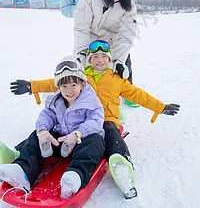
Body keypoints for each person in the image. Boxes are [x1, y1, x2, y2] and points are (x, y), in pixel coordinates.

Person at [1, 41, 180, 199]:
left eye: (104, 56)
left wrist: (160, 107)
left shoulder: (117, 80)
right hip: (75, 120)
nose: (100, 60)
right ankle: (19, 157)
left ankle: (121, 165)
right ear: (89, 60)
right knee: (46, 132)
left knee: (110, 135)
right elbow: (53, 83)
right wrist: (31, 86)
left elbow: (139, 95)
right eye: (95, 57)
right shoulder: (79, 76)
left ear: (110, 60)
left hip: (105, 119)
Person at [0, 56, 105, 200]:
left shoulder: (91, 100)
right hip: (61, 142)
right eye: (64, 86)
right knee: (35, 136)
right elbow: (47, 116)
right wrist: (42, 132)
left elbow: (96, 121)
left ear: (82, 84)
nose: (69, 90)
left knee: (95, 142)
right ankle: (23, 171)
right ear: (59, 87)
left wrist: (77, 134)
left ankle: (74, 177)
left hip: (82, 141)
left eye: (73, 85)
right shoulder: (55, 100)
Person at [73, 0, 140, 85]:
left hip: (110, 51)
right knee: (85, 86)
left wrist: (119, 61)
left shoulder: (128, 2)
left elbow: (126, 35)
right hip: (89, 48)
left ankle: (127, 92)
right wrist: (81, 52)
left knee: (107, 88)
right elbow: (81, 25)